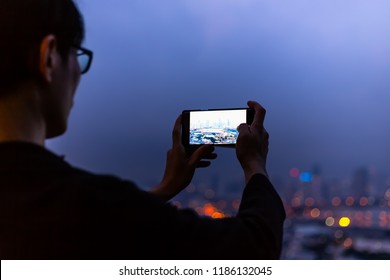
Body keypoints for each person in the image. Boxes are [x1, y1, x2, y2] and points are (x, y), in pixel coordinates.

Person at [0, 0, 285, 259]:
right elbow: (254, 249)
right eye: (77, 55)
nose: (78, 73)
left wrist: (164, 189)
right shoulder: (80, 202)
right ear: (49, 57)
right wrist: (254, 164)